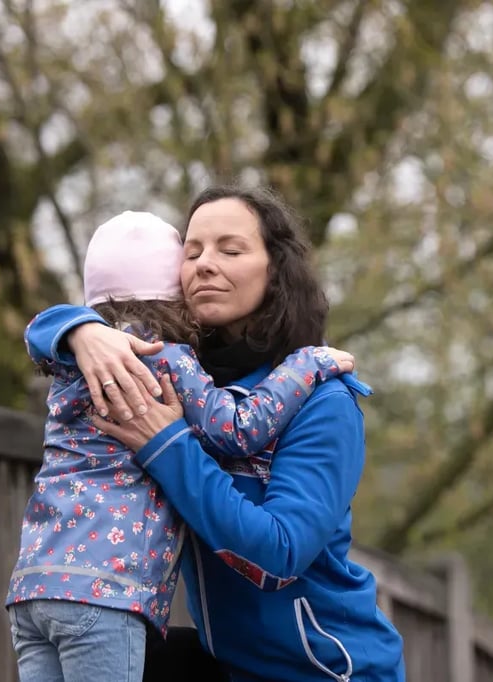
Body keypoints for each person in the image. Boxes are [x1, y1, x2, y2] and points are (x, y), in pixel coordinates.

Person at [26, 186, 406, 681]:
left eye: (231, 250)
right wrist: (80, 330)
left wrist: (167, 445)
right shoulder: (173, 375)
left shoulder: (322, 401)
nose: (205, 264)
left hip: (325, 668)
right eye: (192, 252)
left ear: (276, 272)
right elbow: (52, 330)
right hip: (231, 664)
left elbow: (280, 554)